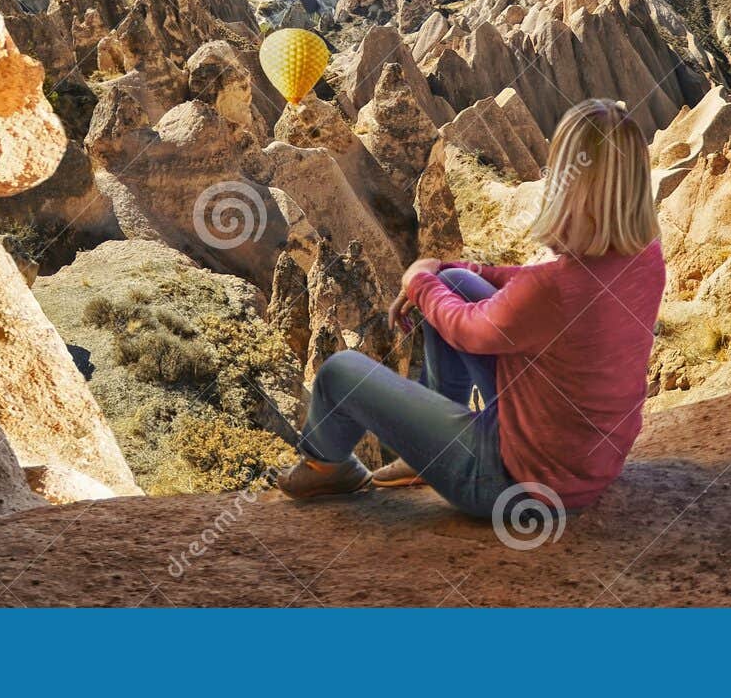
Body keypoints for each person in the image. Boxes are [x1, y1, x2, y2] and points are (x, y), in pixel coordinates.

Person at [279, 98, 667, 519]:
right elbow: (530, 287)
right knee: (454, 284)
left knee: (340, 372)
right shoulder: (646, 259)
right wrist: (446, 270)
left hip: (510, 484)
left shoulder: (553, 290)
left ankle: (328, 467)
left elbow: (468, 329)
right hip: (589, 464)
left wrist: (418, 280)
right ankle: (421, 456)